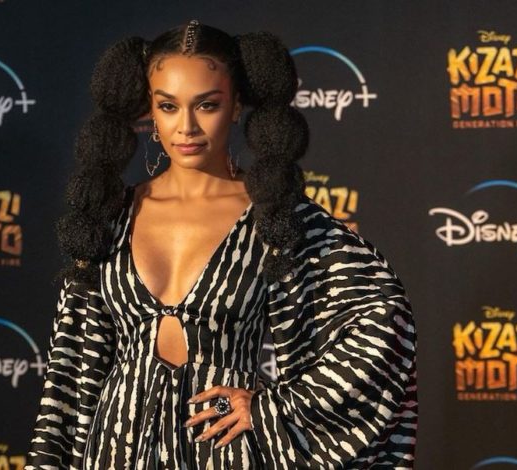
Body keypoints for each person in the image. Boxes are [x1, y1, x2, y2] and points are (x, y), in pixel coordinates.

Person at [24, 19, 418, 470]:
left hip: (225, 449)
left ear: (235, 107)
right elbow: (70, 368)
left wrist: (274, 408)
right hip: (116, 448)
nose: (186, 127)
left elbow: (382, 317)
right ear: (150, 110)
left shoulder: (275, 216)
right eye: (168, 106)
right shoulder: (109, 215)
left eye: (207, 105)